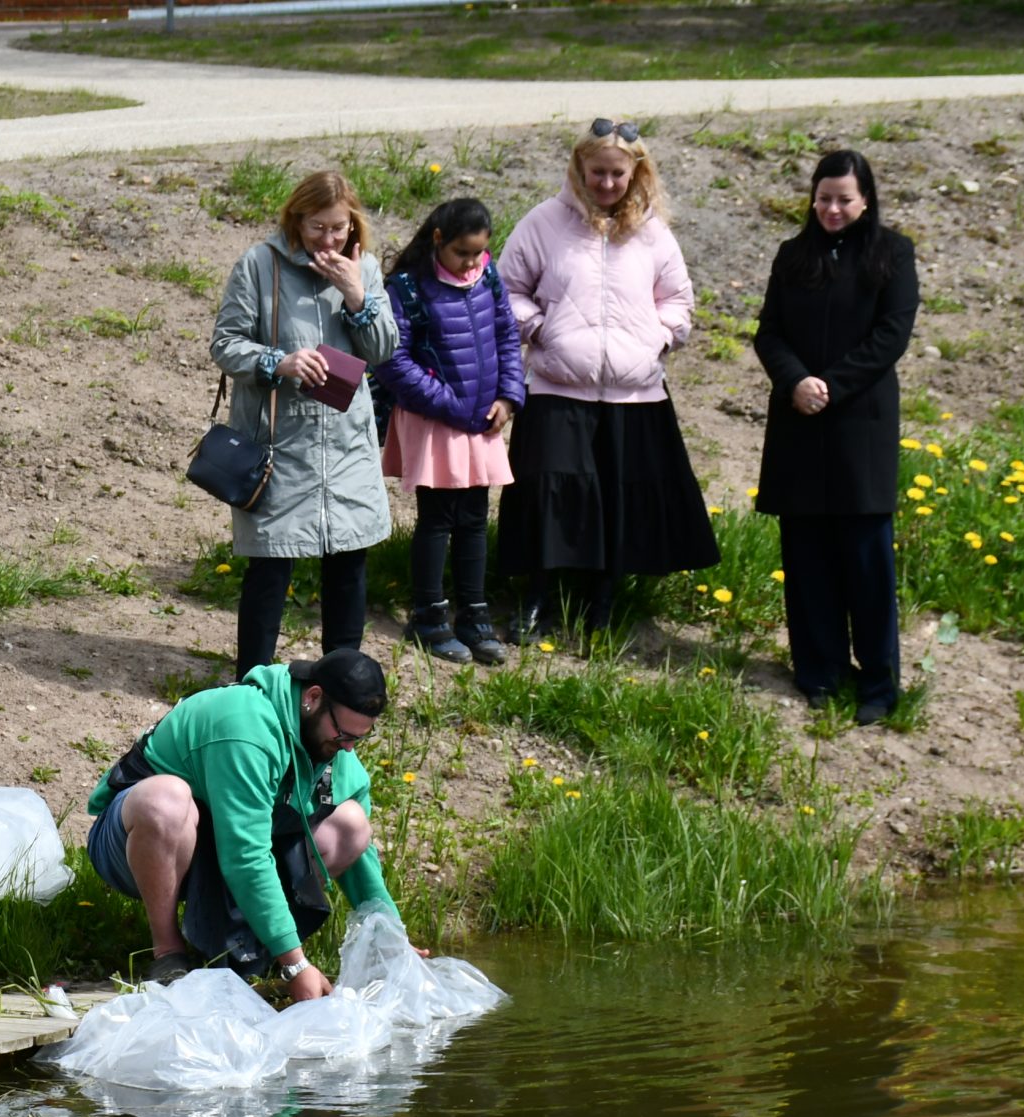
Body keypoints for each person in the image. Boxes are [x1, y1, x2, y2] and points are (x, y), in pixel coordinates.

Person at [495, 119, 719, 641]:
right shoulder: (543, 223)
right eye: (598, 172)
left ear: (636, 172)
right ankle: (538, 596)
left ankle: (603, 601)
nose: (608, 183)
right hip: (556, 385)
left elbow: (679, 301)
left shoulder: (654, 232)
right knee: (547, 491)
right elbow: (506, 291)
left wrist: (657, 339)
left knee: (618, 495)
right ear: (580, 167)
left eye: (618, 173)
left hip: (634, 393)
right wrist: (541, 328)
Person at [84, 649, 405, 1001]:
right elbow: (245, 856)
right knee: (166, 801)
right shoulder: (246, 728)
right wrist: (295, 964)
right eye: (344, 735)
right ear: (313, 697)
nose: (348, 749)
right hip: (134, 844)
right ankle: (168, 953)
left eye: (358, 738)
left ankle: (249, 951)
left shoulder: (327, 736)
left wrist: (394, 941)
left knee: (351, 823)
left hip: (213, 849)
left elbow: (359, 849)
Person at [753, 149, 920, 726]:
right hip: (798, 423)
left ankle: (878, 683)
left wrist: (832, 385)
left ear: (865, 200)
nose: (832, 209)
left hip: (859, 427)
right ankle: (819, 672)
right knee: (807, 557)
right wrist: (795, 381)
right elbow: (769, 332)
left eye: (844, 199)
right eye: (824, 198)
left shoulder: (893, 253)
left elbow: (892, 334)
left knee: (866, 559)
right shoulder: (792, 255)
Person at [211, 168, 399, 676]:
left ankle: (339, 682)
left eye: (338, 227)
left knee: (348, 565)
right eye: (317, 227)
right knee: (270, 568)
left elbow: (384, 349)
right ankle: (252, 683)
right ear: (295, 219)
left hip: (346, 445)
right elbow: (225, 344)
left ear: (353, 223)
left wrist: (356, 295)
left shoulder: (365, 268)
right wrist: (281, 362)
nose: (329, 239)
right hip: (280, 445)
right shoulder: (259, 265)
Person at [373, 196, 524, 667]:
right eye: (462, 253)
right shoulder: (407, 287)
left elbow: (507, 335)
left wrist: (508, 396)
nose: (471, 263)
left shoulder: (487, 275)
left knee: (475, 518)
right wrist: (450, 405)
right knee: (437, 519)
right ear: (438, 240)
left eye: (479, 252)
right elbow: (392, 361)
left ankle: (474, 616)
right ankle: (429, 615)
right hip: (434, 421)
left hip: (480, 420)